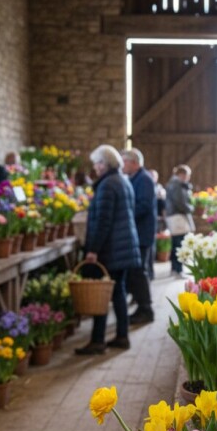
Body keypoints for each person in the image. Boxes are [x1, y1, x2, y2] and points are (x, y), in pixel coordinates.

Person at [75, 144, 142, 355]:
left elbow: (103, 221)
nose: (94, 168)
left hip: (111, 248)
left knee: (101, 294)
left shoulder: (107, 185)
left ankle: (97, 340)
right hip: (123, 246)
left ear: (104, 164)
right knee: (118, 292)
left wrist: (93, 250)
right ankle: (122, 336)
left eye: (96, 163)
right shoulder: (122, 180)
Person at [120, 148, 157, 325]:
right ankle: (141, 306)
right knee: (135, 271)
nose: (122, 165)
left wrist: (124, 214)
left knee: (139, 271)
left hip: (142, 233)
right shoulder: (136, 178)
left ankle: (146, 309)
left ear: (134, 162)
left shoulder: (144, 180)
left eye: (124, 162)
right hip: (138, 232)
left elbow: (143, 206)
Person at [165, 165, 194, 278]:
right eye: (188, 175)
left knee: (177, 243)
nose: (188, 178)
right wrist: (190, 208)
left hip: (176, 217)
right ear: (182, 175)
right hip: (177, 217)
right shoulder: (176, 185)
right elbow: (180, 203)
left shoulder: (175, 184)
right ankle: (177, 269)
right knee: (179, 244)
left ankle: (176, 269)